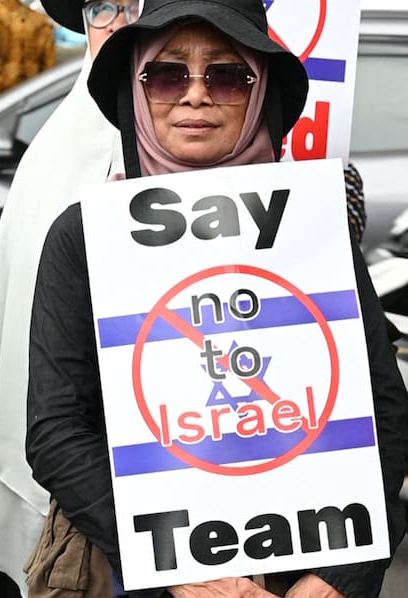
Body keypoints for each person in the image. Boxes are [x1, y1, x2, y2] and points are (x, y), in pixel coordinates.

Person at [25, 1, 408, 597]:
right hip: (138, 574)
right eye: (168, 74)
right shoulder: (82, 237)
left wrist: (337, 577)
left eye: (227, 76)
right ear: (136, 89)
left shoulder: (315, 224)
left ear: (261, 96)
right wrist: (189, 576)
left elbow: (384, 408)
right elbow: (56, 433)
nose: (196, 95)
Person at [0, 1, 139, 596]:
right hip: (66, 483)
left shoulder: (194, 136)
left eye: (139, 8)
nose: (119, 25)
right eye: (104, 8)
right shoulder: (56, 148)